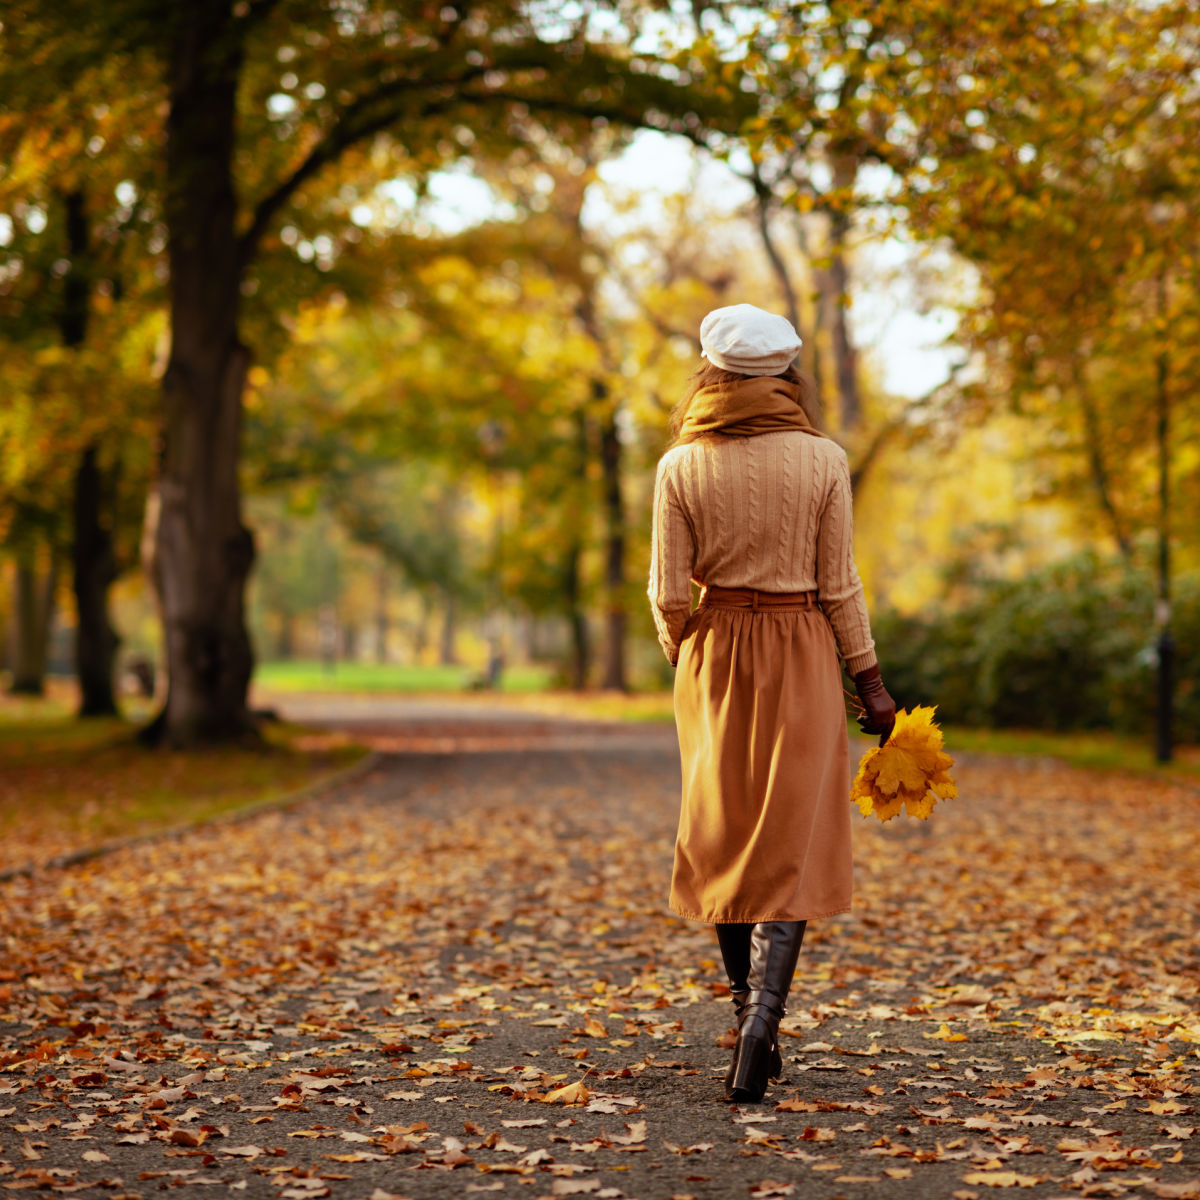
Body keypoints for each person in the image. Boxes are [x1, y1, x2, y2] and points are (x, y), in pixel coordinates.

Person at [647, 303, 896, 1104]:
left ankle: (747, 1008)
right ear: (786, 374)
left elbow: (665, 595)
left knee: (725, 834)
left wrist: (686, 655)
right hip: (800, 652)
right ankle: (763, 1029)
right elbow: (840, 587)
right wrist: (870, 682)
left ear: (712, 372)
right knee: (790, 837)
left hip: (715, 653)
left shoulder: (679, 467)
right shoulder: (824, 459)